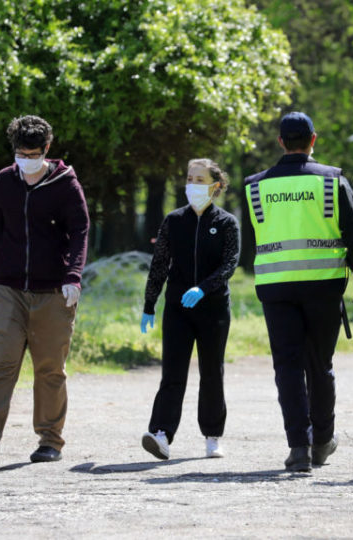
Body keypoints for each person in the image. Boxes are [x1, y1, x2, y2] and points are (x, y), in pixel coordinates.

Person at [244, 112, 353, 473]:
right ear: (313, 140)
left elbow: (251, 242)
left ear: (280, 142)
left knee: (287, 367)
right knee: (320, 365)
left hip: (276, 288)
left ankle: (298, 447)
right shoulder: (333, 181)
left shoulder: (256, 185)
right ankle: (322, 441)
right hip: (323, 287)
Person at [0, 115, 89, 467]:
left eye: (33, 154)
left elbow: (80, 230)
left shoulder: (66, 184)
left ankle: (50, 440)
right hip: (9, 288)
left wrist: (73, 276)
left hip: (53, 291)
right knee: (0, 362)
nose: (26, 160)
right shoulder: (5, 181)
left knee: (50, 368)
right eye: (21, 153)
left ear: (46, 150)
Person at [139, 158, 240, 460]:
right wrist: (149, 304)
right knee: (172, 372)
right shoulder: (174, 220)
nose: (192, 185)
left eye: (199, 180)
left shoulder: (226, 223)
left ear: (215, 186)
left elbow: (230, 263)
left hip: (214, 311)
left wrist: (204, 288)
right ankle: (160, 434)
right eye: (190, 179)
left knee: (212, 373)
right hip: (178, 309)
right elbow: (159, 265)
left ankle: (212, 436)